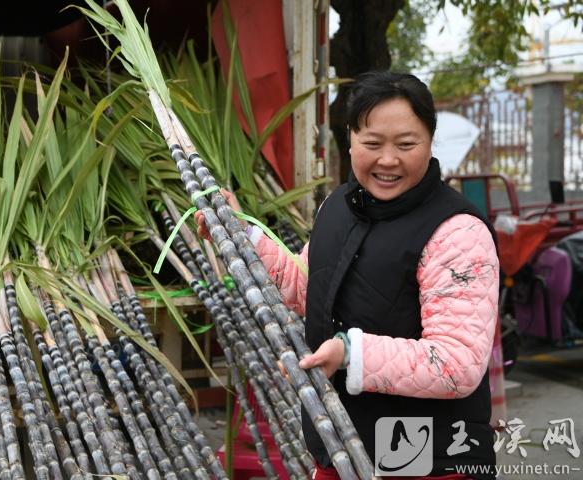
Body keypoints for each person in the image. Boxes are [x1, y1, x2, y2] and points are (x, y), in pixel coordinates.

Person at [196, 71, 498, 479]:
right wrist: (240, 234)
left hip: (425, 458)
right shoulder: (337, 207)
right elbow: (306, 288)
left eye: (406, 144)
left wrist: (351, 354)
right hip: (339, 446)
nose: (387, 159)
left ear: (429, 142)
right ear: (351, 140)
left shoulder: (457, 231)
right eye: (372, 144)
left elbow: (456, 364)